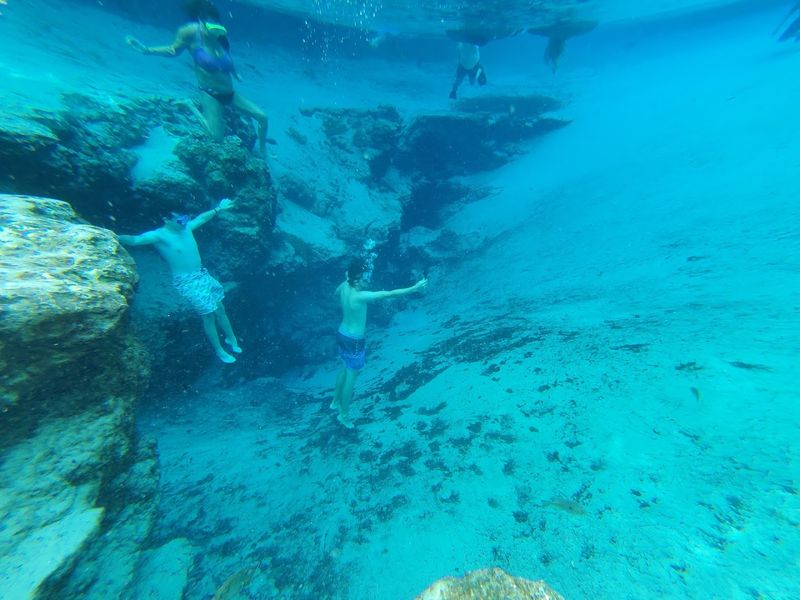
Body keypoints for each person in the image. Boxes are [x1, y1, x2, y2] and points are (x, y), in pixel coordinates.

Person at [125, 0, 268, 156]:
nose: (214, 26)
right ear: (201, 21)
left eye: (217, 22)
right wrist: (147, 50)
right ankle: (190, 106)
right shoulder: (190, 33)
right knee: (216, 138)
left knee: (262, 117)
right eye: (210, 23)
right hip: (210, 94)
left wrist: (235, 74)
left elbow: (227, 58)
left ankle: (263, 152)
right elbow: (173, 50)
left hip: (230, 93)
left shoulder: (220, 35)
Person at [118, 198, 242, 364]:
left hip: (202, 275)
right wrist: (113, 236)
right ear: (166, 220)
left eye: (185, 218)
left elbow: (201, 218)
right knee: (208, 315)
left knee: (220, 308)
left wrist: (218, 209)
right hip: (186, 281)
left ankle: (231, 338)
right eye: (179, 220)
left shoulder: (186, 228)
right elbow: (135, 240)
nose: (184, 222)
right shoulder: (159, 236)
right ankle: (219, 350)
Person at [331, 259, 428, 429]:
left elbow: (335, 293)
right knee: (351, 378)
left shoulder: (344, 286)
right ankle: (343, 415)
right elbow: (388, 294)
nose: (366, 281)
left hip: (342, 334)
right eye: (363, 279)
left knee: (344, 366)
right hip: (354, 341)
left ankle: (334, 401)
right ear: (355, 280)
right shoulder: (359, 296)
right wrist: (414, 288)